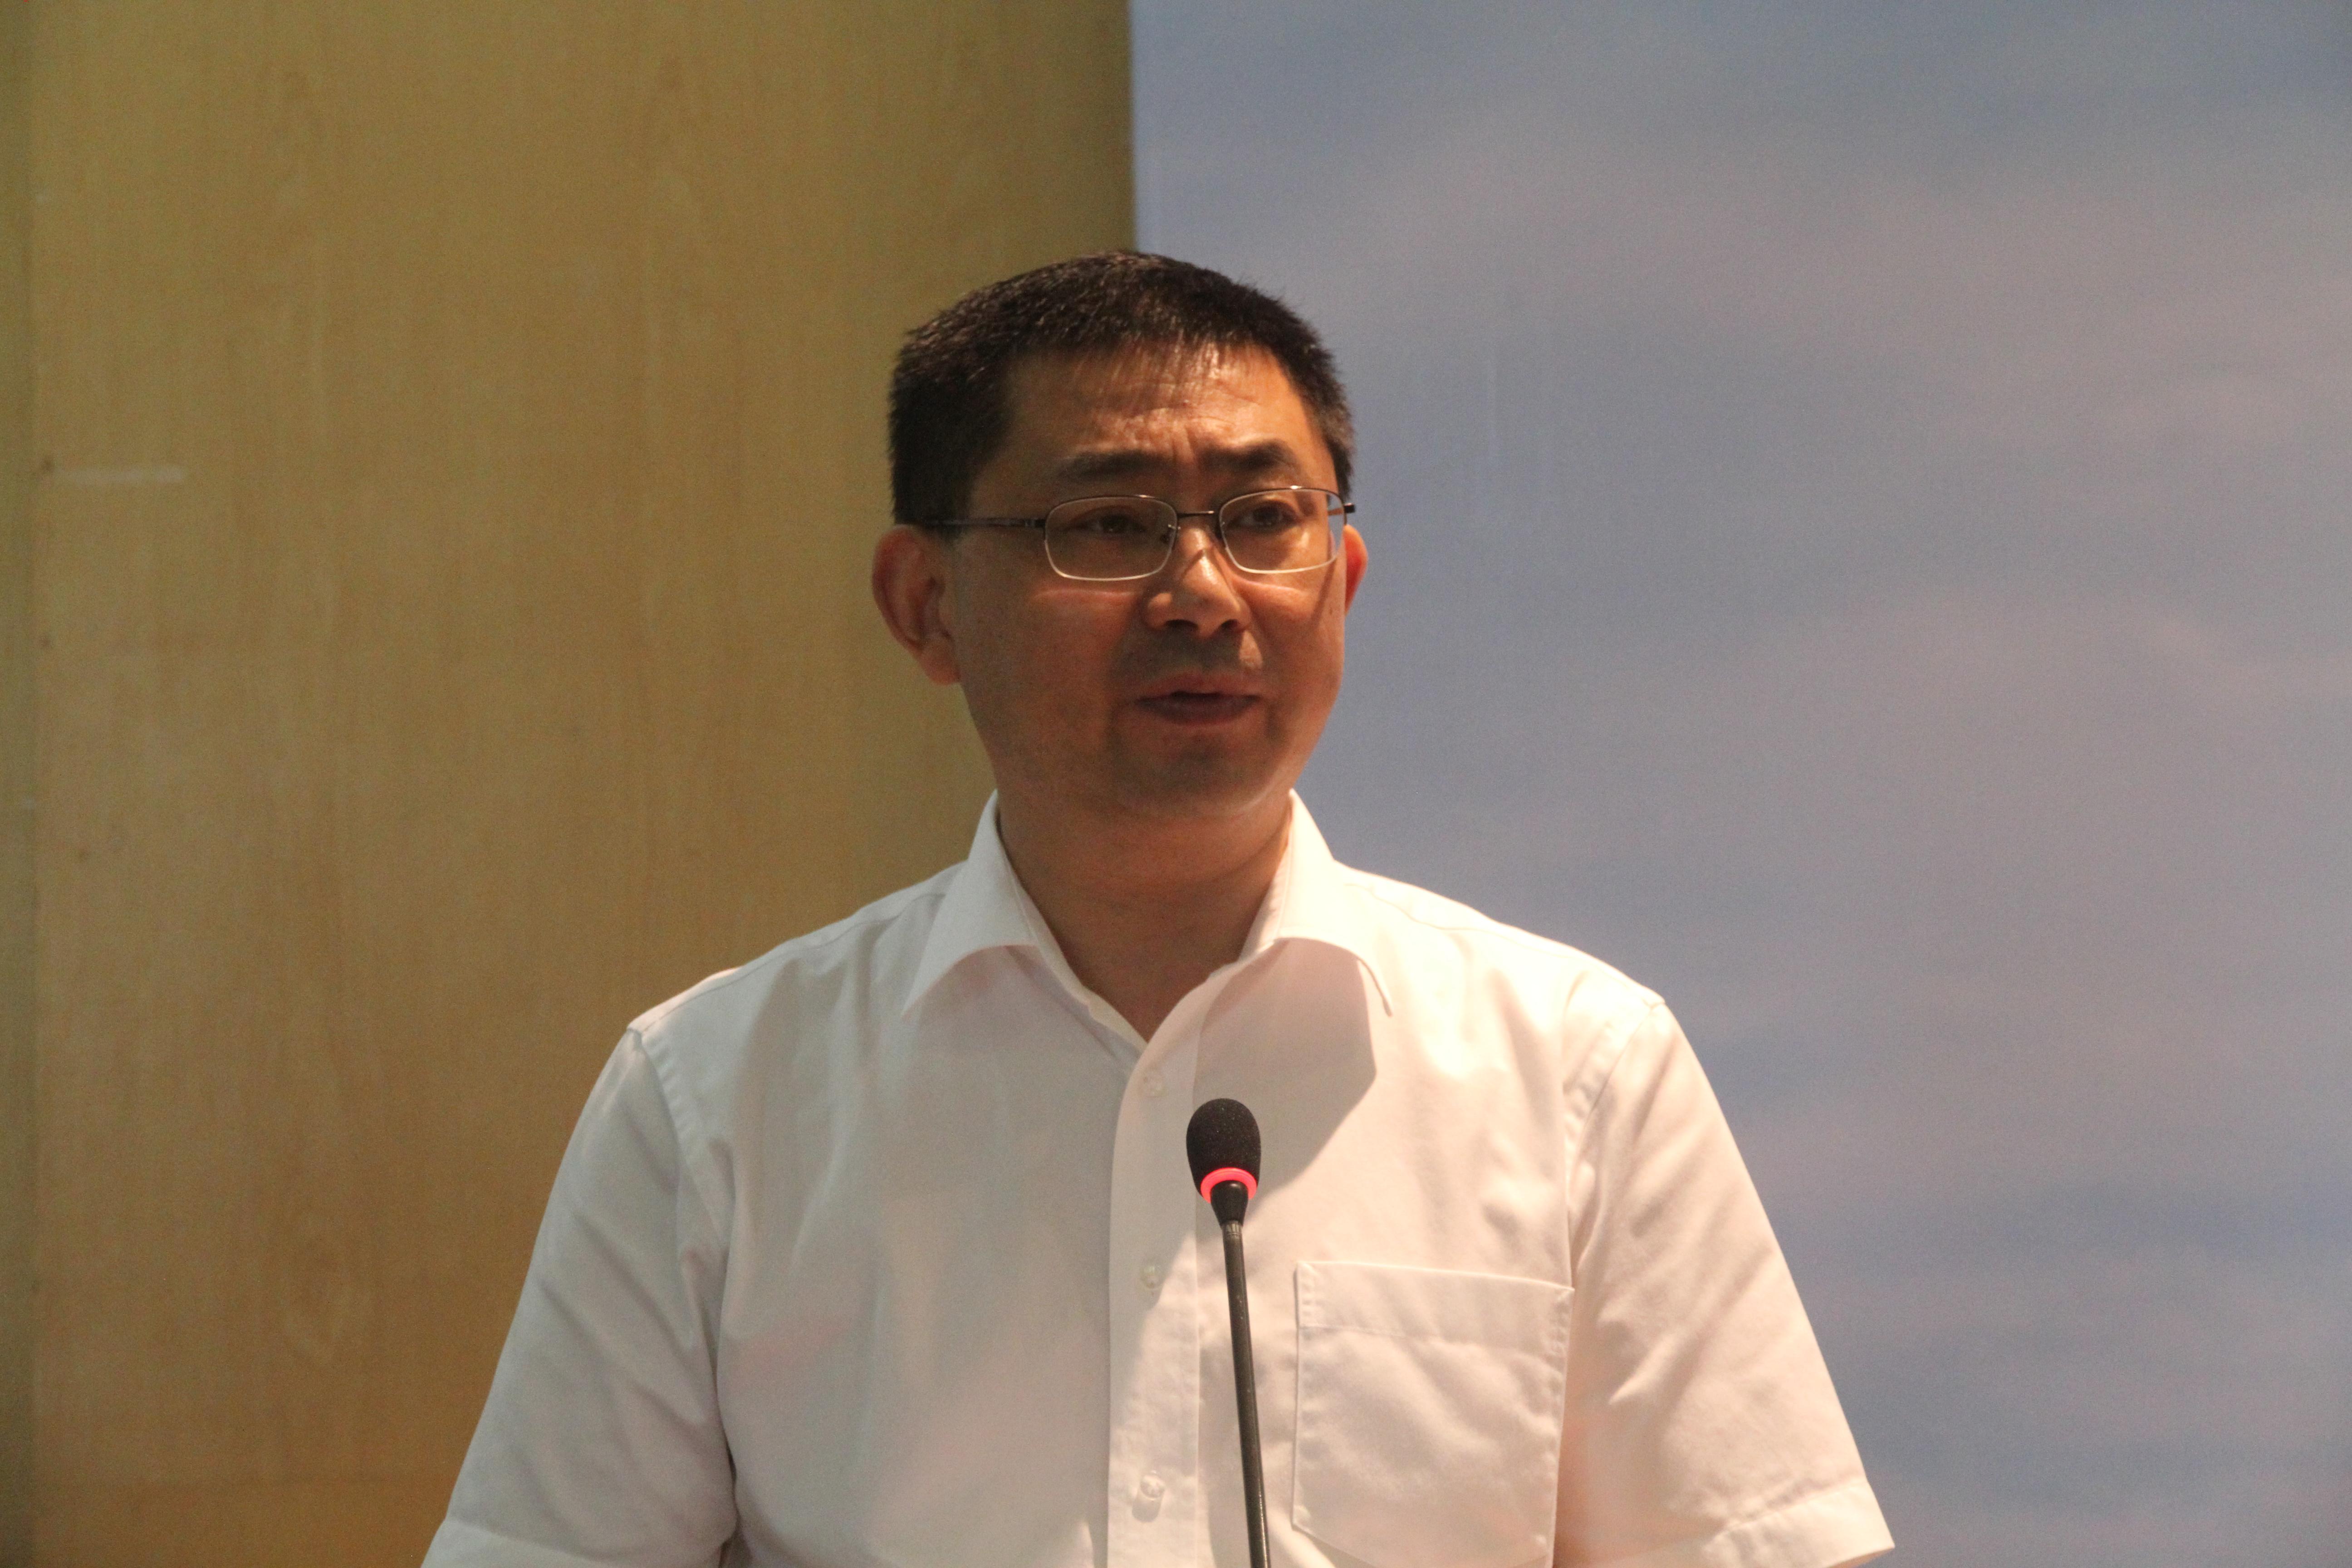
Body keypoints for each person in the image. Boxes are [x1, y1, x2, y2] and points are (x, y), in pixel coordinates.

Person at [423, 252, 1893, 1568]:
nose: (1202, 592)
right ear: (926, 604)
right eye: (1109, 525)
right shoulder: (717, 1099)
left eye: (1265, 519)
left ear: (1344, 578)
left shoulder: (1577, 1068)